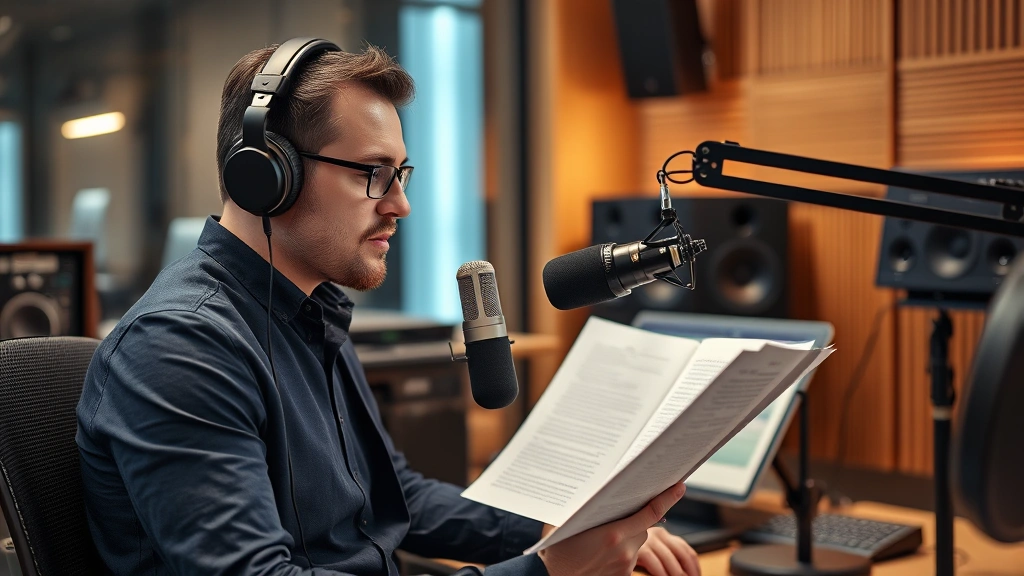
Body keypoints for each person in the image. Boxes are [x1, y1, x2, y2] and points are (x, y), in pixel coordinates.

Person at [76, 39, 702, 576]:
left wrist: (557, 528)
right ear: (267, 174)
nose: (400, 205)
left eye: (403, 174)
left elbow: (392, 497)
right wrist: (545, 570)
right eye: (373, 174)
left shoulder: (312, 311)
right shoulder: (180, 347)